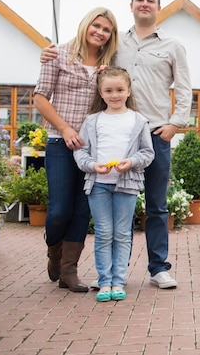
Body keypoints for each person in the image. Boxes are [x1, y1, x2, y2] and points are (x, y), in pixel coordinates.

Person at [42, 0, 192, 289]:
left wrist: (176, 124)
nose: (145, 4)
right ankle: (115, 270)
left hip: (155, 132)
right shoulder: (115, 44)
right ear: (132, 5)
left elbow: (186, 88)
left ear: (158, 7)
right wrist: (49, 51)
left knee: (157, 205)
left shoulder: (173, 46)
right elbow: (85, 54)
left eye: (151, 0)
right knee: (109, 202)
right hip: (115, 136)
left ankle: (158, 267)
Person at [35, 7, 119, 292]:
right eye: (96, 26)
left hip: (93, 149)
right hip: (60, 142)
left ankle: (69, 272)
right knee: (59, 210)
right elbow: (40, 97)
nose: (100, 32)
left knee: (83, 210)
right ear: (86, 25)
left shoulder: (109, 65)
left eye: (106, 29)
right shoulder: (57, 54)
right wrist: (66, 129)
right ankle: (54, 253)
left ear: (111, 36)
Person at [74, 66, 154, 302]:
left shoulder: (138, 120)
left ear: (128, 91)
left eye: (120, 89)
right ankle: (104, 281)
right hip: (98, 185)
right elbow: (81, 152)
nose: (115, 95)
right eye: (109, 90)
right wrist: (92, 166)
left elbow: (147, 153)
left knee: (121, 233)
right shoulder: (92, 121)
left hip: (127, 185)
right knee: (103, 233)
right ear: (101, 93)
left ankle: (118, 281)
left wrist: (131, 162)